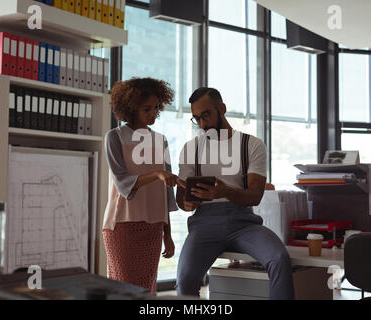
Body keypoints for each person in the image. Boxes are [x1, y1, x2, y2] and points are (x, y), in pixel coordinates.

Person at [175, 87, 294, 300]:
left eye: (206, 115)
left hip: (244, 224)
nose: (202, 124)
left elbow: (255, 196)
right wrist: (187, 203)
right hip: (204, 225)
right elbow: (180, 199)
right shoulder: (191, 149)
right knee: (185, 279)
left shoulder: (252, 145)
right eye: (196, 118)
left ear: (222, 108)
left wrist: (225, 192)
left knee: (279, 258)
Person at [102, 77, 182, 293]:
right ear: (131, 108)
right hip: (123, 226)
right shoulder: (115, 138)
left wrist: (168, 233)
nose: (154, 113)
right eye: (147, 108)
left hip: (154, 226)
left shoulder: (161, 140)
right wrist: (157, 174)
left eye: (156, 107)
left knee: (147, 290)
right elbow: (122, 182)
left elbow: (166, 194)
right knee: (124, 290)